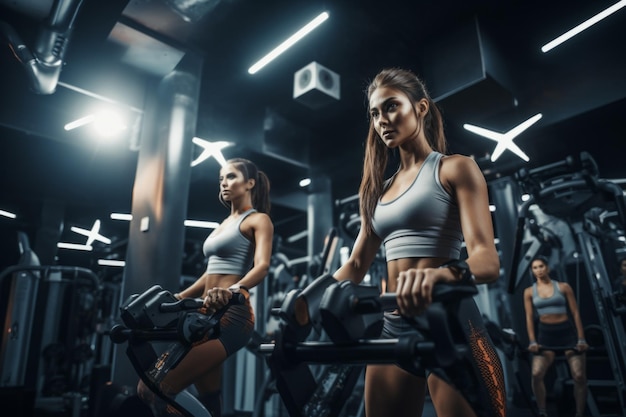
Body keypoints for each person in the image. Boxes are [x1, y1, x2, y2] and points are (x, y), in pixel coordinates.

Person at [331, 67, 505, 417]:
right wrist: (313, 297)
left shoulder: (455, 168)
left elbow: (487, 261)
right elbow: (354, 265)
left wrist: (437, 275)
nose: (382, 120)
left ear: (421, 108)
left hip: (450, 320)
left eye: (392, 106)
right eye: (375, 113)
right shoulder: (376, 192)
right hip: (394, 325)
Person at [136, 158, 274, 417]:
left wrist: (234, 289)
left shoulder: (258, 219)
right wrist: (179, 296)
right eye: (221, 178)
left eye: (231, 176)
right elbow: (208, 275)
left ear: (250, 183)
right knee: (209, 399)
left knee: (156, 390)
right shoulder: (222, 225)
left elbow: (262, 266)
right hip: (202, 316)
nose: (223, 182)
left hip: (232, 316)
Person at [523, 255, 588, 417]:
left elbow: (575, 313)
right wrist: (532, 341)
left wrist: (581, 338)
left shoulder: (563, 287)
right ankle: (542, 412)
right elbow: (529, 318)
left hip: (567, 333)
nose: (538, 270)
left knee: (579, 376)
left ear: (548, 268)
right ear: (532, 271)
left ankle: (579, 413)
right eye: (535, 268)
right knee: (536, 374)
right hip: (546, 335)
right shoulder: (529, 292)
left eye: (541, 266)